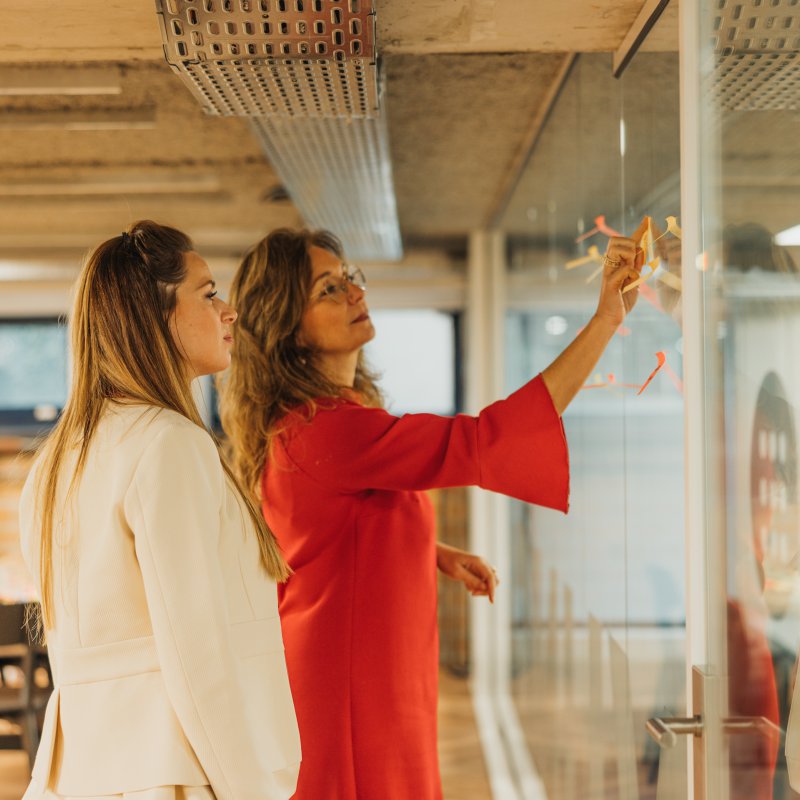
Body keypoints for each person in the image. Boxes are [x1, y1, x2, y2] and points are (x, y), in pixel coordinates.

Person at [218, 226, 642, 799]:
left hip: (365, 666)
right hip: (351, 687)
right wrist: (604, 323)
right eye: (328, 290)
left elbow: (319, 533)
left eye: (349, 280)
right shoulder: (328, 430)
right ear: (288, 330)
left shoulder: (315, 421)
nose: (354, 294)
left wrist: (431, 553)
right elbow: (487, 441)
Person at [18, 221, 300, 800]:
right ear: (157, 315)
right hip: (171, 773)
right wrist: (249, 790)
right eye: (208, 292)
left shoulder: (52, 463)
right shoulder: (168, 442)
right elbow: (196, 651)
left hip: (83, 775)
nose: (230, 313)